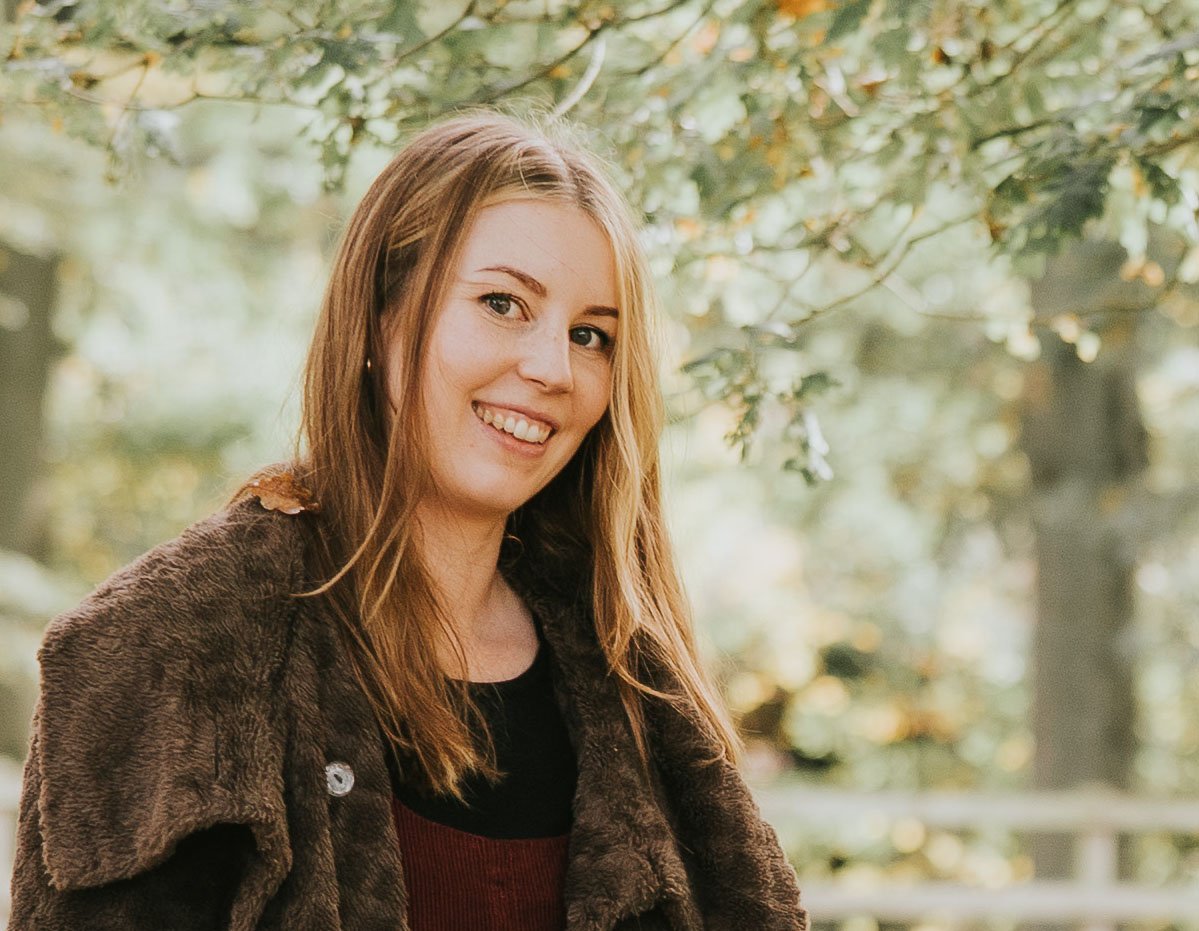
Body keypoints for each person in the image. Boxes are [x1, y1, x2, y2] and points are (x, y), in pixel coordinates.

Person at [9, 111, 806, 930]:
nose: (551, 368)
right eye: (502, 302)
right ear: (377, 316)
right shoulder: (172, 642)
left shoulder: (632, 678)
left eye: (590, 335)